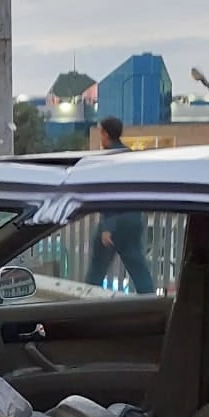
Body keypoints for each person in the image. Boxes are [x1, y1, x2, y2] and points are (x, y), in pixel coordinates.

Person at [82, 117, 155, 294]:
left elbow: (108, 192)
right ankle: (151, 301)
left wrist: (108, 226)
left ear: (106, 134)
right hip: (133, 219)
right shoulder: (130, 156)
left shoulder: (107, 159)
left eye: (101, 132)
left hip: (113, 221)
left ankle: (84, 304)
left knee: (97, 270)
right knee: (138, 267)